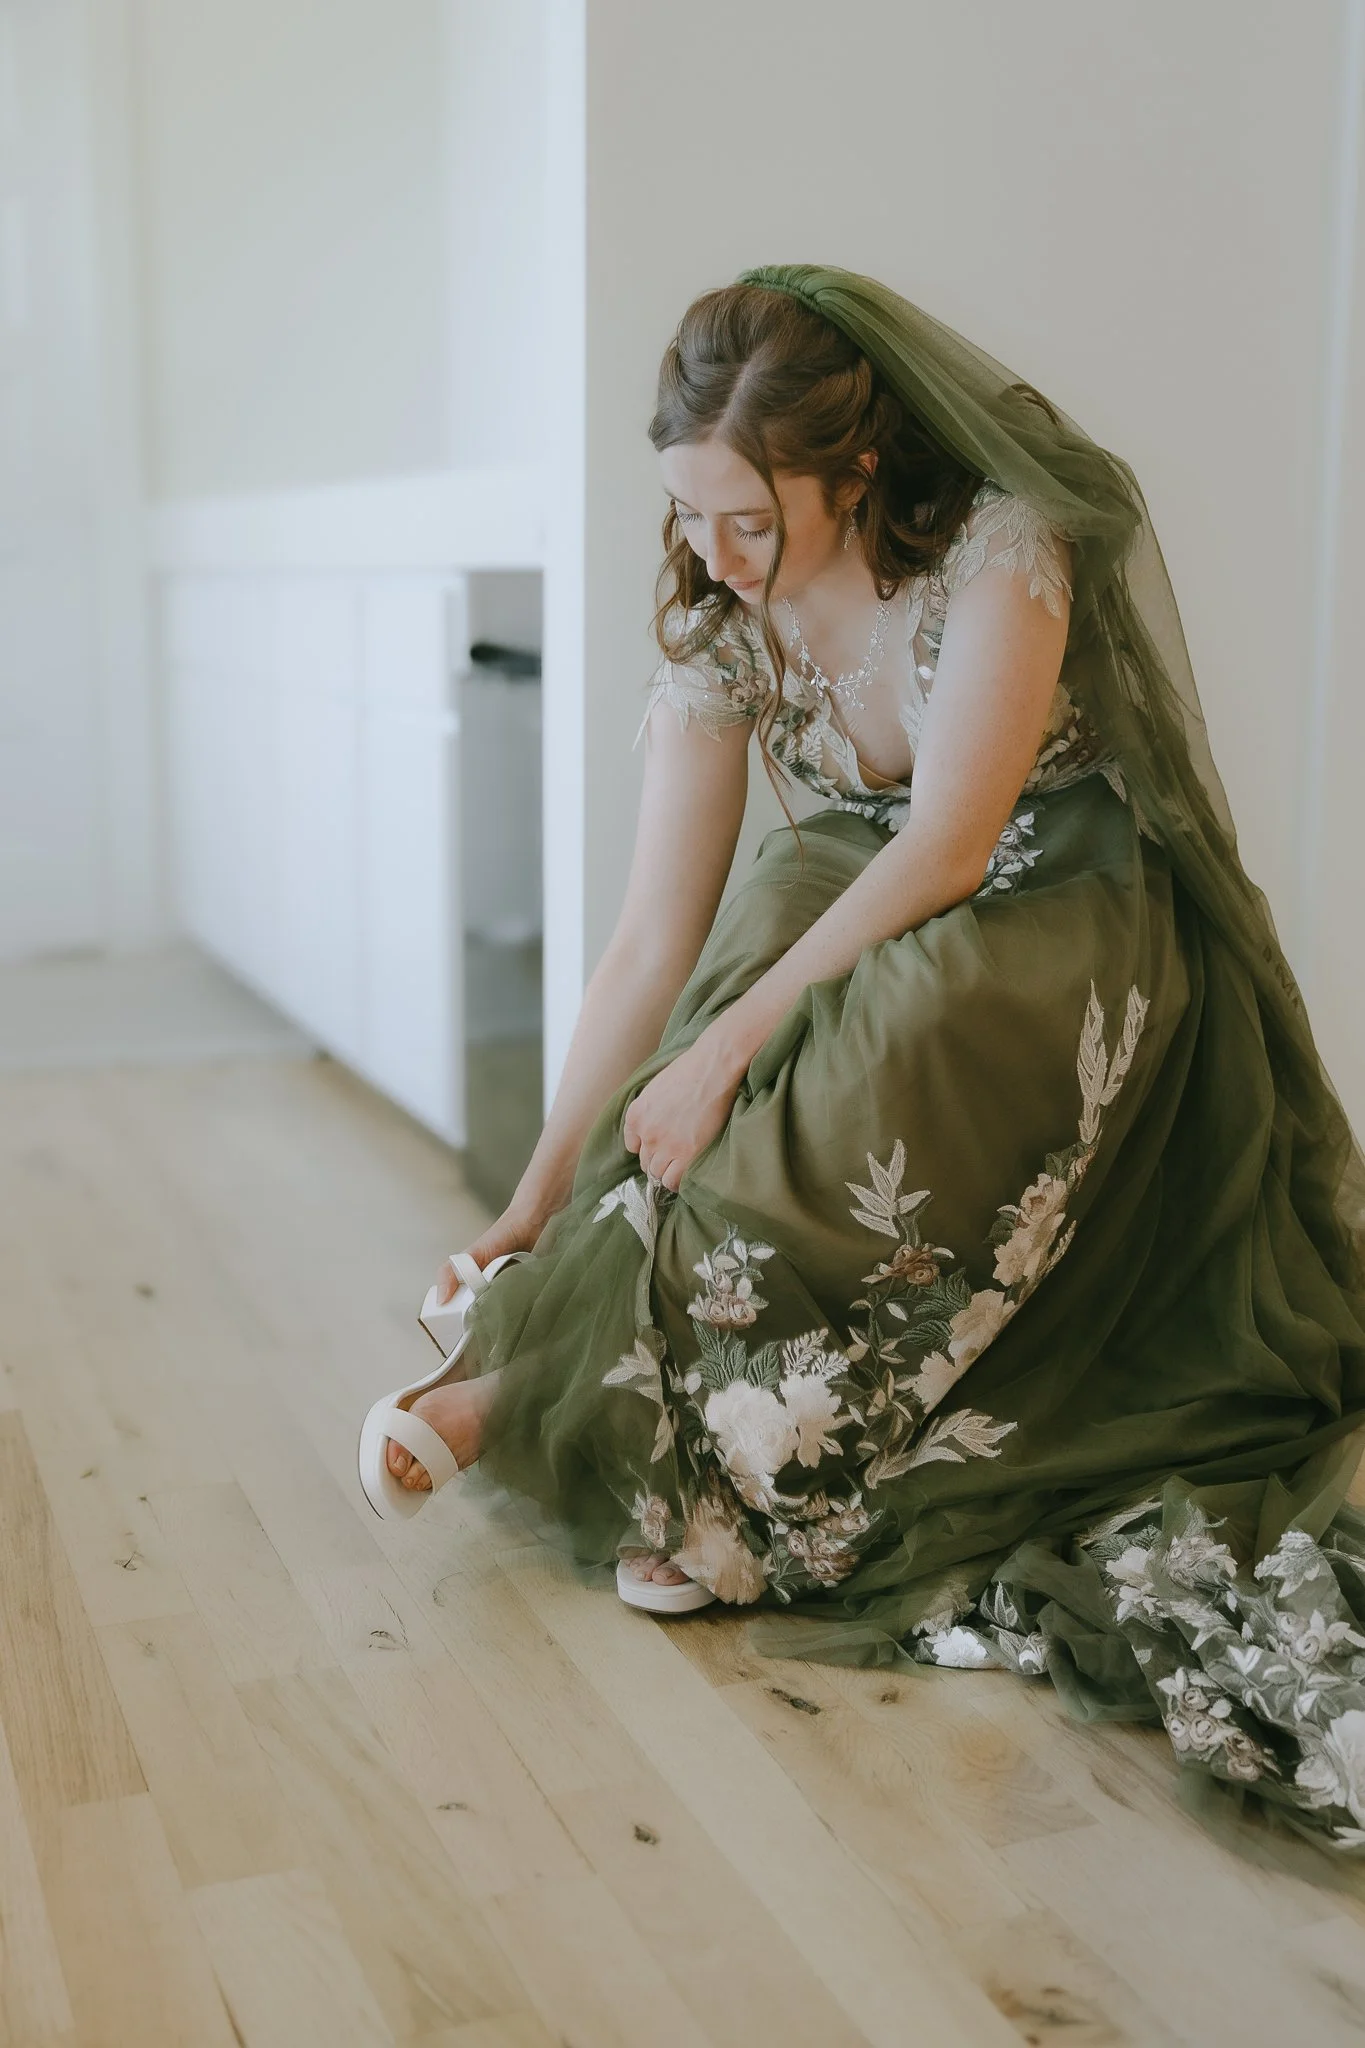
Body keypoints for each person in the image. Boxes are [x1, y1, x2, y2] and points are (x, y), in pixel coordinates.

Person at [378, 266, 1365, 1859]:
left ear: (852, 473)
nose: (711, 554)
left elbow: (956, 844)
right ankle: (569, 1360)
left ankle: (638, 1446)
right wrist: (533, 1187)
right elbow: (650, 938)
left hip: (1050, 899)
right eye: (688, 513)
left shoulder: (996, 550)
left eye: (746, 518)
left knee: (879, 1028)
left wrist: (742, 1045)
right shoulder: (718, 604)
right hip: (867, 881)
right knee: (747, 954)